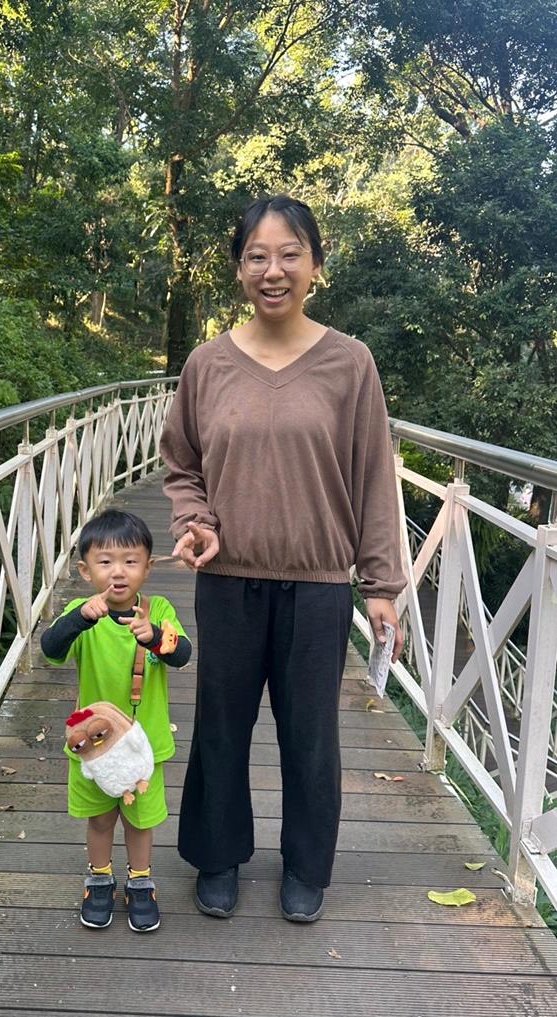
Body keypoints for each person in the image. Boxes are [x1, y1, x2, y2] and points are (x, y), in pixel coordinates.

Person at [160, 194, 406, 924]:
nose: (273, 270)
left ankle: (305, 865)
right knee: (220, 726)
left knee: (311, 737)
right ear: (239, 270)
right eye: (257, 256)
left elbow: (373, 476)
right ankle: (217, 856)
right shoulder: (207, 365)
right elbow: (181, 465)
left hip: (319, 586)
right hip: (228, 581)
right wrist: (195, 521)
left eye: (289, 254)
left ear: (315, 265)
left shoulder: (349, 363)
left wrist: (381, 585)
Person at [40, 509, 191, 932]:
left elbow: (182, 655)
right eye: (105, 562)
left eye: (130, 561)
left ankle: (141, 880)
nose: (118, 572)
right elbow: (50, 649)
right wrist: (78, 620)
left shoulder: (159, 610)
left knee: (140, 822)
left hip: (144, 747)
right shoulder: (80, 611)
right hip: (93, 746)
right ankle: (100, 877)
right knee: (101, 818)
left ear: (148, 567)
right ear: (85, 571)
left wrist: (156, 637)